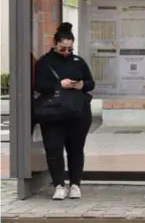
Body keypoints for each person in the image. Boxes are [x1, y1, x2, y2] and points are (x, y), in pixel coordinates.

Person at [34, 22, 95, 200]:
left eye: (69, 49)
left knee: (76, 149)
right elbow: (38, 85)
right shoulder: (45, 62)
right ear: (55, 44)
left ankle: (75, 184)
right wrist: (59, 85)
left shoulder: (78, 61)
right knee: (54, 149)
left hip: (77, 113)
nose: (66, 53)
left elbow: (90, 83)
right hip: (52, 114)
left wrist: (82, 85)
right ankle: (59, 184)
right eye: (63, 49)